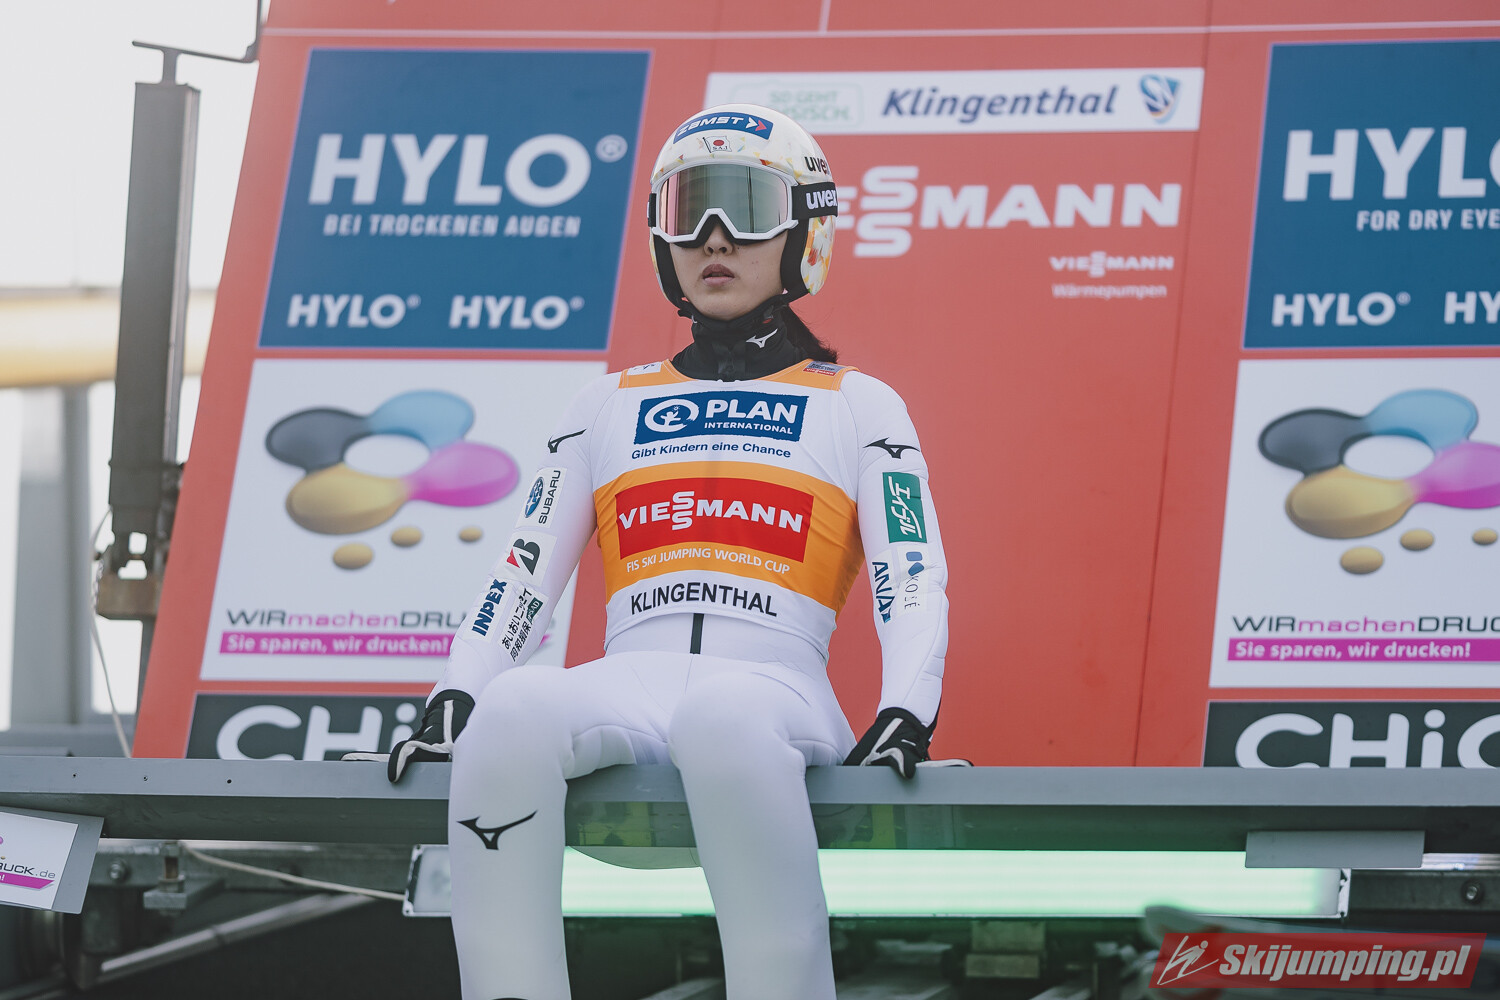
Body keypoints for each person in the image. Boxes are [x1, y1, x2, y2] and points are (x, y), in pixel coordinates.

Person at [378, 104, 953, 1000]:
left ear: (805, 229)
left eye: (747, 207)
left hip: (775, 691)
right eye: (688, 210)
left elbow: (909, 574)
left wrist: (908, 707)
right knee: (512, 709)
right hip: (632, 682)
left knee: (722, 716)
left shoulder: (858, 403)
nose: (714, 237)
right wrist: (458, 689)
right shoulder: (603, 405)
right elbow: (524, 569)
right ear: (660, 237)